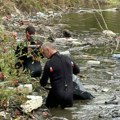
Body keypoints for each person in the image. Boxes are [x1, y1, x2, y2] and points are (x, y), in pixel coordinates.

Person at [40, 42, 80, 109]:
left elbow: (43, 83)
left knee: (48, 109)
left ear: (48, 50)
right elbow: (77, 71)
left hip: (57, 96)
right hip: (69, 97)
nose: (44, 55)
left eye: (44, 53)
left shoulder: (49, 63)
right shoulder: (68, 58)